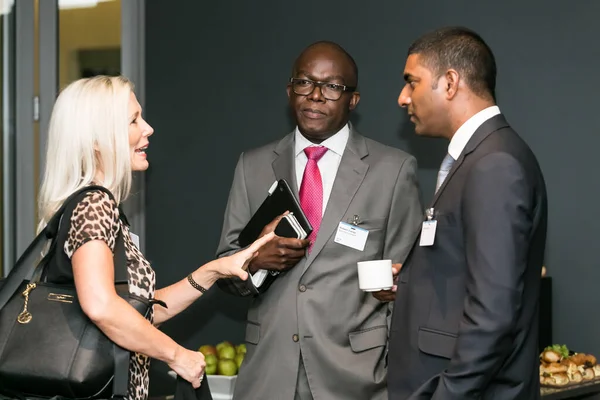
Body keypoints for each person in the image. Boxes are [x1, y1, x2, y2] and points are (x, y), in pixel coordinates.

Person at [34, 76, 274, 400]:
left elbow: (139, 314)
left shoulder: (99, 206)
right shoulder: (94, 204)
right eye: (133, 120)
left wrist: (215, 270)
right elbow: (101, 305)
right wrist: (177, 355)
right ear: (96, 139)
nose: (148, 129)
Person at [216, 41, 422, 400]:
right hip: (269, 374)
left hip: (356, 377)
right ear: (289, 90)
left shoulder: (392, 170)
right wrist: (255, 261)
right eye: (304, 83)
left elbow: (408, 285)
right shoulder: (253, 165)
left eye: (331, 87)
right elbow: (224, 268)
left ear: (353, 100)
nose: (315, 96)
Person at [385, 27, 548, 399]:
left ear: (450, 82)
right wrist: (415, 281)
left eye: (412, 82)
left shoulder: (495, 164)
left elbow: (493, 315)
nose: (402, 97)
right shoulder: (481, 156)